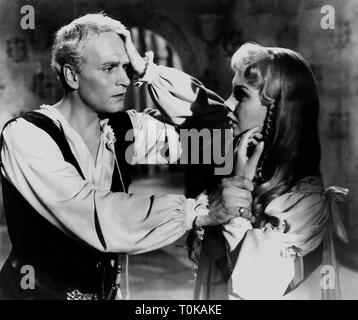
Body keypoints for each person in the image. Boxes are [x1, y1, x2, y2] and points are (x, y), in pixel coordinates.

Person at [0, 13, 240, 300]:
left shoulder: (127, 130)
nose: (126, 80)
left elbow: (215, 139)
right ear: (71, 75)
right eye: (110, 68)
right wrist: (198, 212)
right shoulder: (26, 135)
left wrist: (149, 72)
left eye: (127, 67)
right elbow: (92, 212)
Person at [149, 42, 349, 299]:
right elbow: (201, 112)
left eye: (241, 95)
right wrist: (148, 72)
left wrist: (237, 207)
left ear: (278, 109)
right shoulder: (245, 160)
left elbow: (252, 289)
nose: (229, 105)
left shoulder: (302, 202)